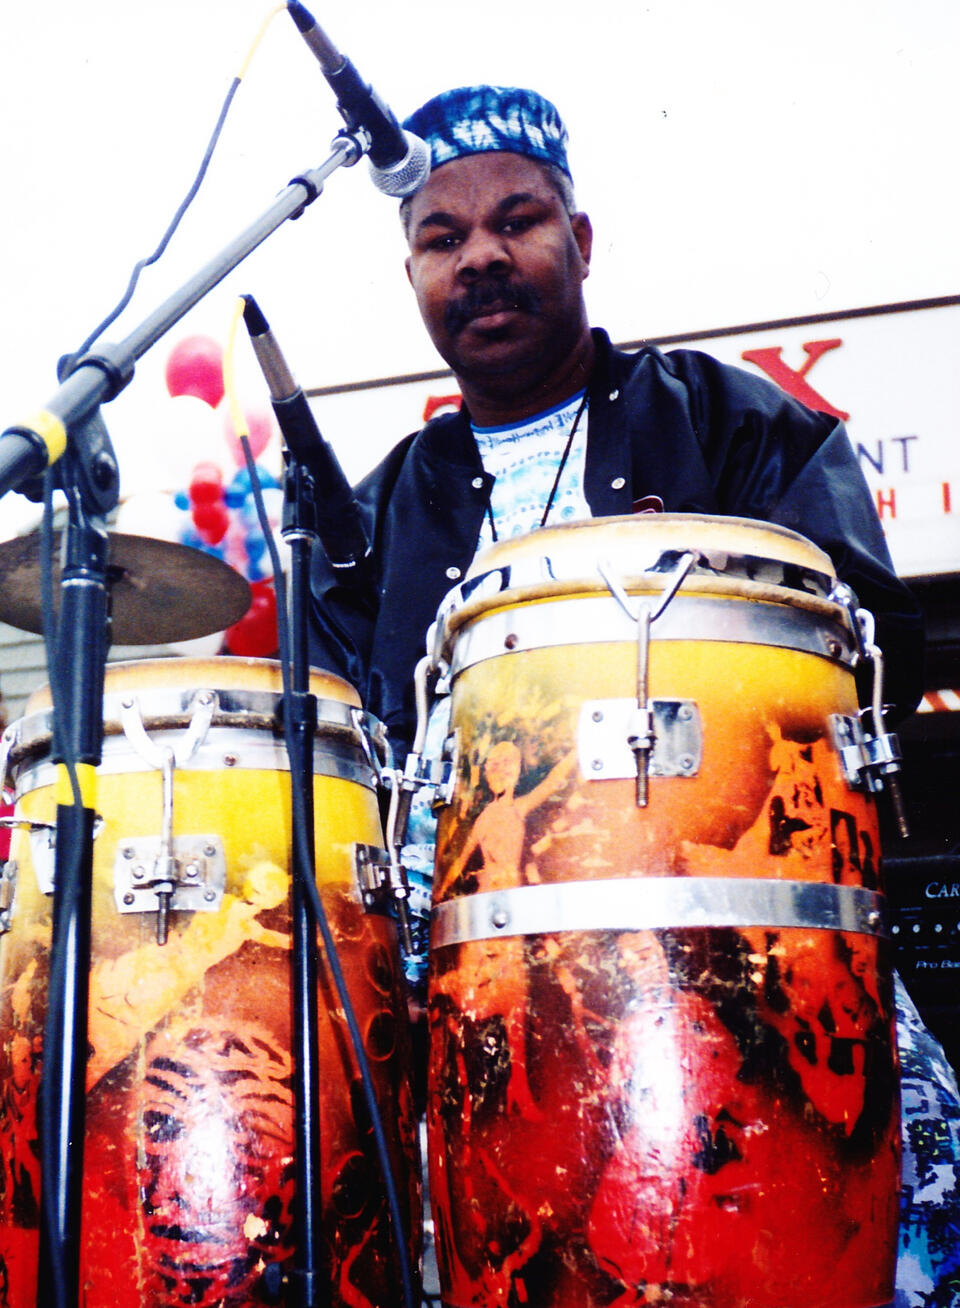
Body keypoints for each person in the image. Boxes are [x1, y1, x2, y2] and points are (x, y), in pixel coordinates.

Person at [309, 86, 957, 1307]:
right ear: (413, 275)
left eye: (517, 221)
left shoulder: (732, 423)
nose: (481, 257)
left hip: (749, 944)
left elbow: (869, 645)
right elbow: (341, 774)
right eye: (443, 239)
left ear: (581, 239)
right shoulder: (379, 512)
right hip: (477, 989)